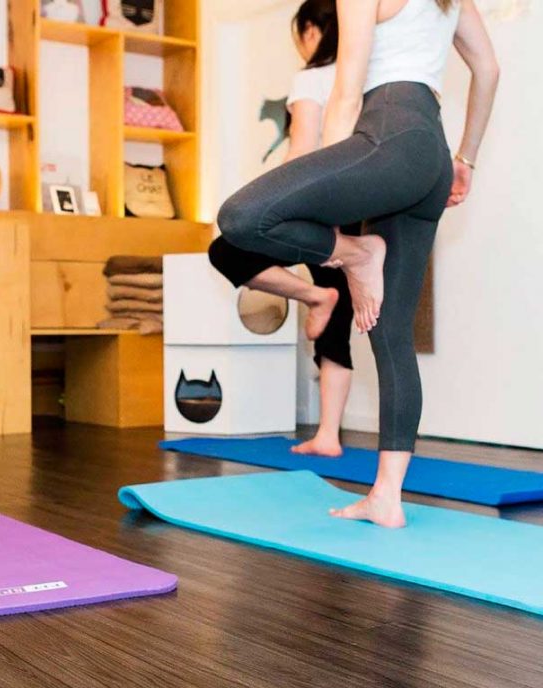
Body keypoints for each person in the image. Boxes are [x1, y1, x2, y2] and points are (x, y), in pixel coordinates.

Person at [213, 0, 499, 527]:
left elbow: (346, 89)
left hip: (386, 134)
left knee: (239, 218)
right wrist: (466, 159)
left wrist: (336, 224)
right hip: (430, 153)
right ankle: (386, 498)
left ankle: (357, 255)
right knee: (391, 332)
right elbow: (488, 68)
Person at [211, 0, 357, 458]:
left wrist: (266, 201)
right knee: (342, 321)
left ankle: (314, 296)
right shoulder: (368, 76)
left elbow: (303, 150)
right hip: (361, 208)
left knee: (227, 250)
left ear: (313, 30)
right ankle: (329, 436)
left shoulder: (312, 78)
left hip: (314, 204)